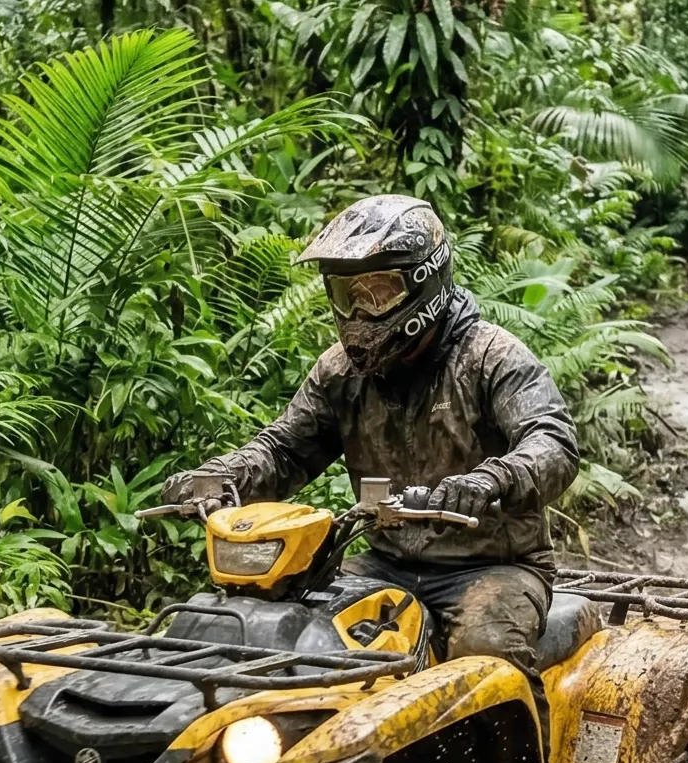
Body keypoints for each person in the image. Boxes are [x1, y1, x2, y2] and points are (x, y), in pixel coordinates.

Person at [163, 195, 580, 671]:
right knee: (287, 633)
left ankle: (529, 748)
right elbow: (283, 449)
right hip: (385, 562)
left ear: (425, 282)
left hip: (494, 566)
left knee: (485, 658)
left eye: (377, 293)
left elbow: (553, 442)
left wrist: (491, 481)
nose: (360, 311)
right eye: (347, 295)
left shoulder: (491, 357)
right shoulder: (340, 373)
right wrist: (221, 476)